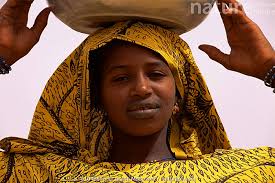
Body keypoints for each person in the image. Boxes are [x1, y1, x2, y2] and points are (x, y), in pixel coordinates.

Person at [0, 0, 274, 182]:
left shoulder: (247, 173)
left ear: (181, 94)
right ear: (94, 98)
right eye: (120, 78)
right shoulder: (40, 175)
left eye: (156, 74)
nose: (142, 88)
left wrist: (269, 68)